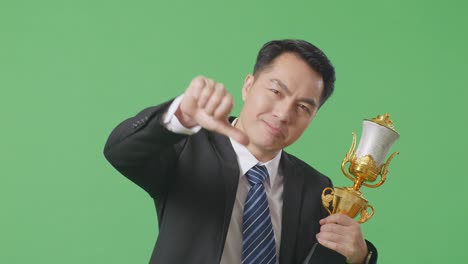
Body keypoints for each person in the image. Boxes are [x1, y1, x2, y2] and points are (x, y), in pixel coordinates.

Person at [104, 39, 378, 264]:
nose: (283, 114)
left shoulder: (317, 187)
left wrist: (361, 257)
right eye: (276, 91)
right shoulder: (186, 148)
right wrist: (181, 117)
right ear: (248, 85)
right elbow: (121, 151)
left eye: (303, 107)